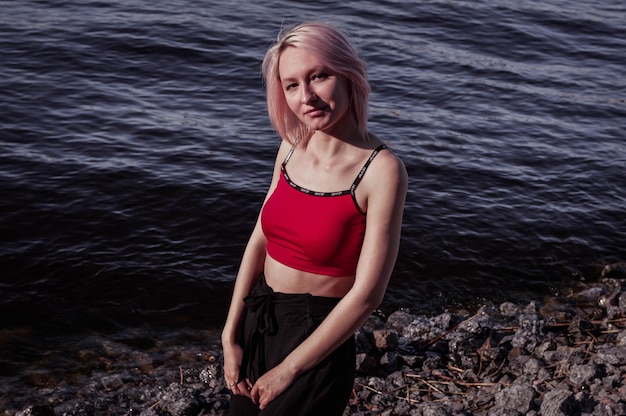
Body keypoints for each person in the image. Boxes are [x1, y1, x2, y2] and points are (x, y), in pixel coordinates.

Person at [221, 21, 408, 415]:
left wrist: (290, 369)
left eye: (318, 76)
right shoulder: (291, 146)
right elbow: (259, 240)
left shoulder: (381, 170)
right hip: (260, 320)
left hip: (318, 338)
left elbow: (367, 295)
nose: (306, 96)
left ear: (348, 75)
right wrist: (230, 332)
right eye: (291, 85)